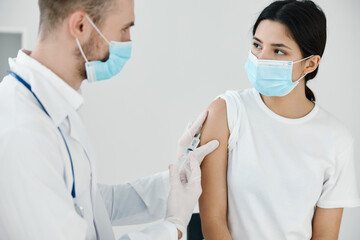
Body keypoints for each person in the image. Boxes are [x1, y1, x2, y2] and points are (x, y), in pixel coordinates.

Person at [0, 0, 219, 239]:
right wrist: (173, 227)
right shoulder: (21, 130)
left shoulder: (57, 106)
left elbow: (93, 204)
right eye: (124, 28)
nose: (128, 42)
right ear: (81, 26)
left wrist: (176, 181)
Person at [198, 0, 360, 239]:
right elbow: (212, 220)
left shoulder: (336, 139)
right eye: (257, 45)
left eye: (279, 51)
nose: (261, 58)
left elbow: (325, 234)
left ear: (310, 63)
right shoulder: (226, 112)